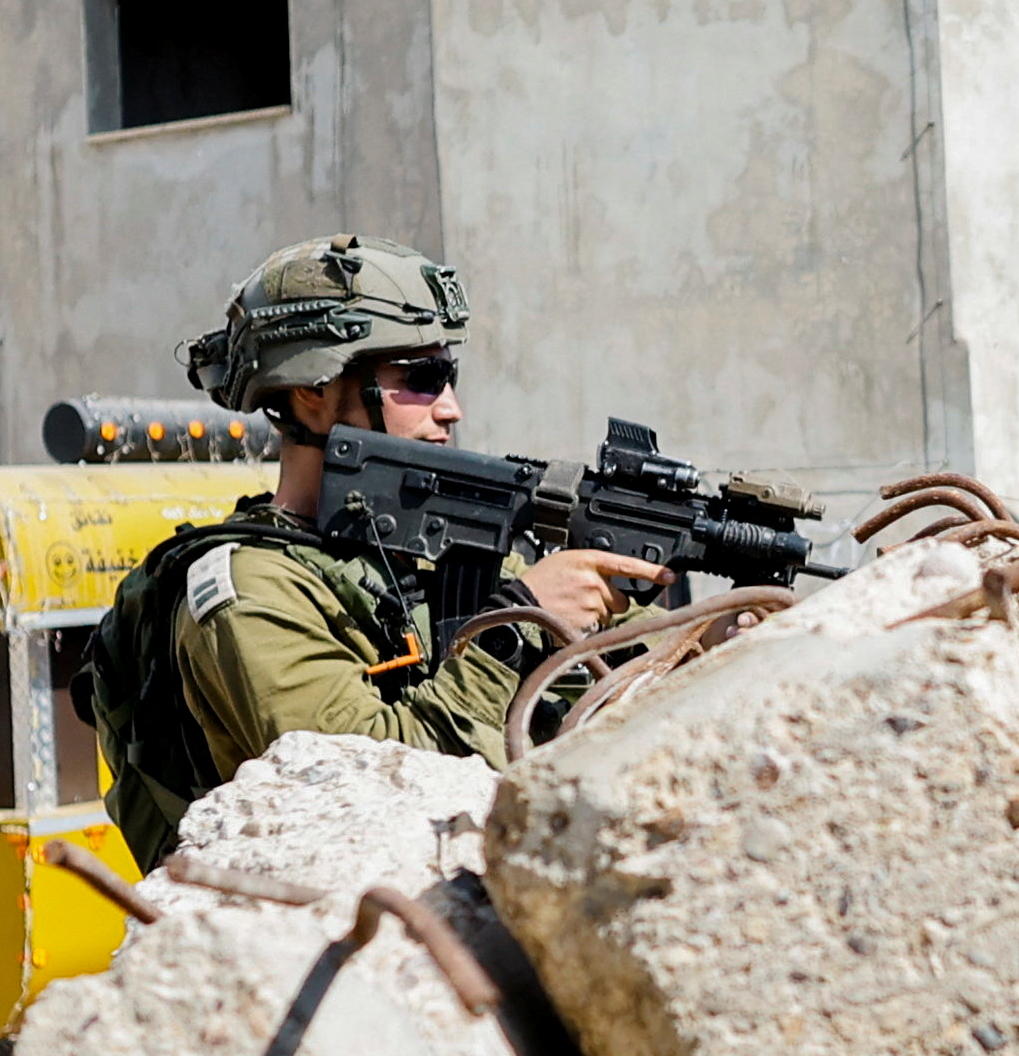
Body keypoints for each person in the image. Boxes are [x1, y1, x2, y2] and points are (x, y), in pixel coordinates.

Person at [77, 237, 654, 869]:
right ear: (314, 393)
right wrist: (514, 625)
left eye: (448, 375)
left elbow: (621, 642)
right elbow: (375, 790)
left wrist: (713, 634)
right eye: (419, 379)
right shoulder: (248, 591)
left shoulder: (419, 550)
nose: (451, 408)